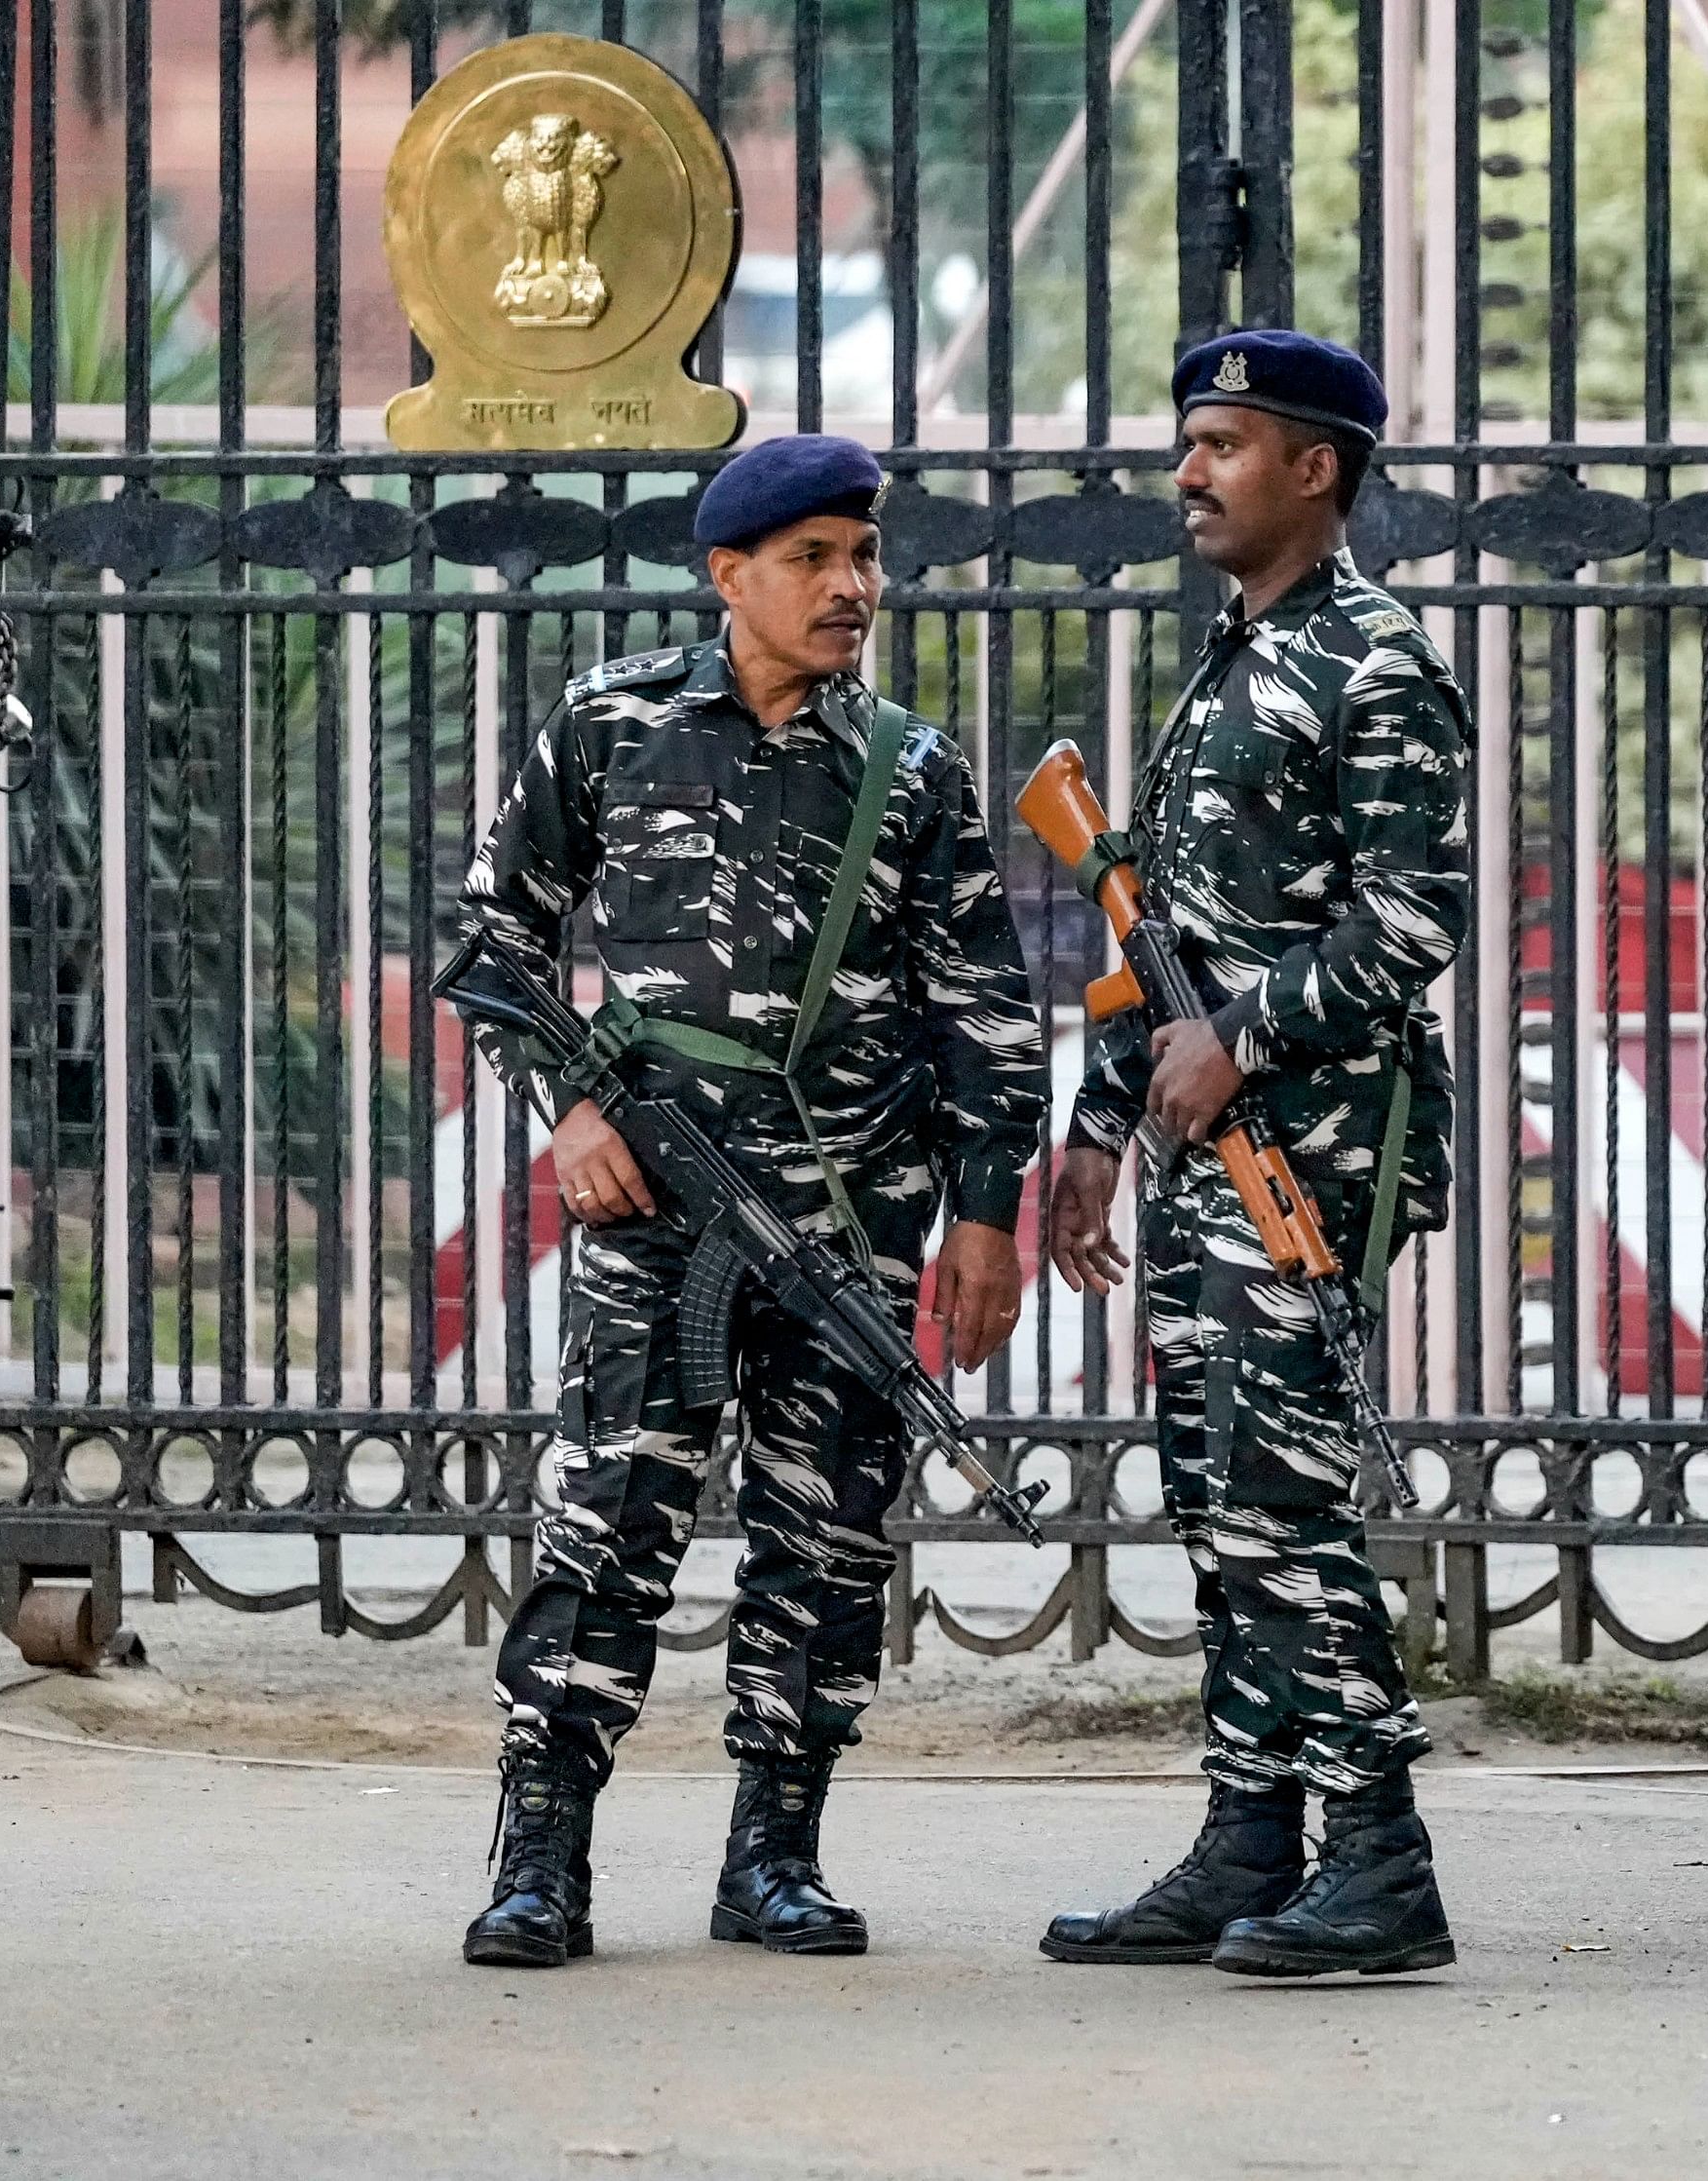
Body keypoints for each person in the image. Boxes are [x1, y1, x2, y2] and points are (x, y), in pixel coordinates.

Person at [455, 434, 1047, 1968]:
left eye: (863, 555)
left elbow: (982, 1008)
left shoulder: (908, 769)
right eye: (815, 560)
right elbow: (494, 941)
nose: (852, 586)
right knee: (607, 1526)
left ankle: (774, 1855)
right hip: (654, 1217)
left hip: (849, 1225)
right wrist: (572, 1106)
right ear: (730, 575)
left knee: (828, 1541)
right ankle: (541, 1860)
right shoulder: (612, 725)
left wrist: (987, 1215)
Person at [1038, 328, 1468, 1978]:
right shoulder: (1229, 658)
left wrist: (1252, 1035)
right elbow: (1156, 937)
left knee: (1284, 1504)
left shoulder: (1375, 663)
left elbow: (1414, 917)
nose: (1189, 472)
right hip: (1197, 1152)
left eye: (1224, 443)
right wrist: (1093, 1135)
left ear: (1317, 468)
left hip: (1314, 1150)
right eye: (1188, 442)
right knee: (1215, 1499)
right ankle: (1249, 1838)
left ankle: (1380, 1857)